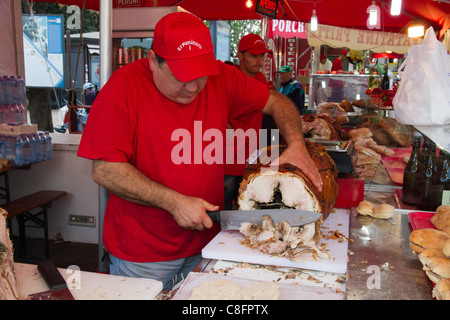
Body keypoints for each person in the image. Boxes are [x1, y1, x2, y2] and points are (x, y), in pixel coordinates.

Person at [77, 12, 322, 291]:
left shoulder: (223, 78)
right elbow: (105, 169)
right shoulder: (122, 88)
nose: (193, 87)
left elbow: (277, 102)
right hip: (144, 254)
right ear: (154, 61)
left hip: (208, 243)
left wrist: (297, 145)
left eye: (201, 75)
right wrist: (175, 202)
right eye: (182, 77)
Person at [223, 33, 271, 210]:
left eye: (262, 56)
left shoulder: (261, 80)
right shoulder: (227, 79)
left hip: (251, 161)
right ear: (240, 56)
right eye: (253, 56)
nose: (259, 61)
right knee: (223, 212)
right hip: (225, 161)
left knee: (250, 210)